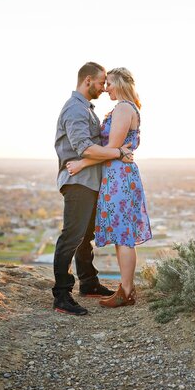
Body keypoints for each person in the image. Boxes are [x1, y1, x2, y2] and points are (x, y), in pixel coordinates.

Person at [52, 61, 134, 316]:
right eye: (101, 82)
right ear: (88, 81)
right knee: (72, 236)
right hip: (78, 182)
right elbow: (85, 148)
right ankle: (62, 295)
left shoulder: (87, 109)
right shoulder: (75, 110)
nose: (103, 87)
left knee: (84, 237)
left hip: (89, 181)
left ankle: (88, 283)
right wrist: (118, 152)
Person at [66, 67, 152, 308]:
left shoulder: (124, 108)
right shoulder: (122, 108)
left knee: (124, 235)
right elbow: (115, 150)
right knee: (120, 235)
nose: (106, 89)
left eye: (110, 84)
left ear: (121, 84)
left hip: (119, 177)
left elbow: (113, 147)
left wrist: (82, 163)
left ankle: (126, 291)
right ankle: (126, 288)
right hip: (115, 175)